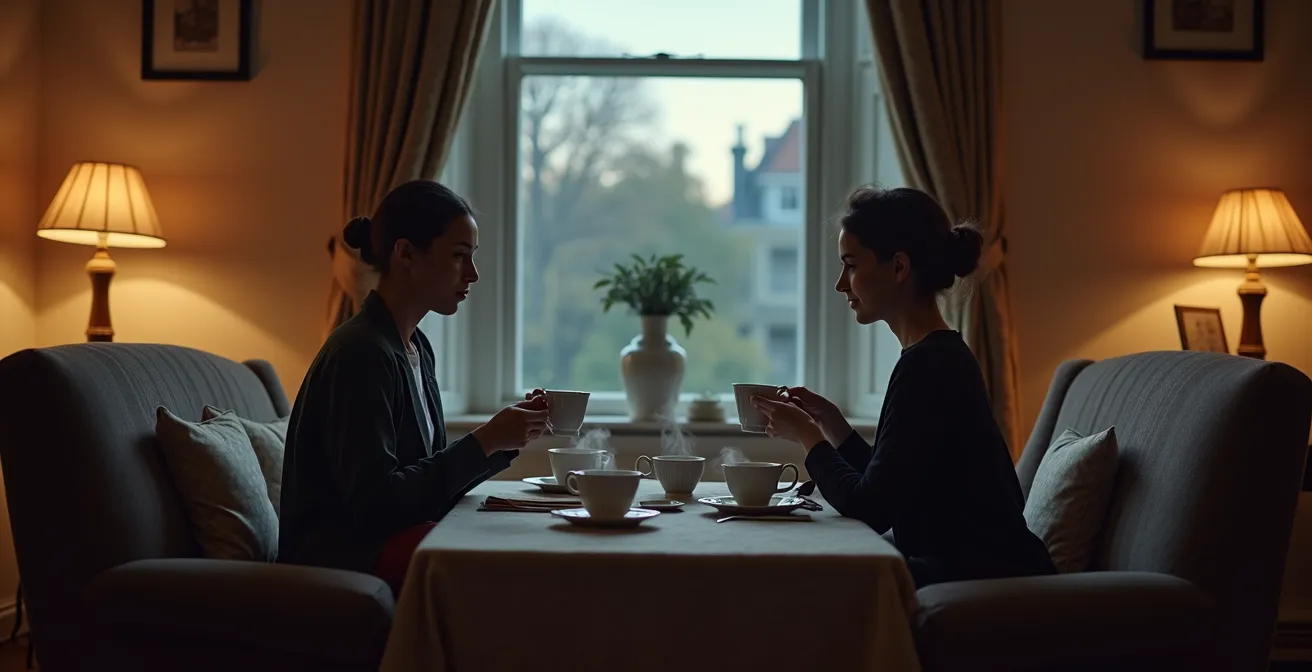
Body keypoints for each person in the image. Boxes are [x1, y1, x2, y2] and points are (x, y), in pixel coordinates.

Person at [751, 185, 1055, 588]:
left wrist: (808, 437)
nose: (841, 284)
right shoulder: (935, 356)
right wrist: (833, 427)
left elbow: (869, 509)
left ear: (898, 267)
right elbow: (889, 485)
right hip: (968, 565)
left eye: (851, 265)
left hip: (981, 577)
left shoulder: (929, 366)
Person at [279, 179, 551, 592]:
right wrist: (485, 440)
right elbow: (376, 506)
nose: (473, 275)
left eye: (472, 257)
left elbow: (424, 486)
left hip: (385, 535)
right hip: (344, 551)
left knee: (520, 533)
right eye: (459, 256)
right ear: (405, 253)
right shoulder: (361, 353)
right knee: (505, 561)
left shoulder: (415, 347)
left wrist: (504, 437)